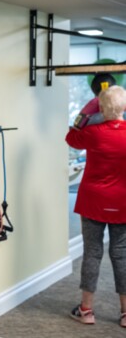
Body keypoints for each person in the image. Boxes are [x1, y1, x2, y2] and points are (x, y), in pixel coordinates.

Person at [65, 85, 126, 328]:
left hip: (93, 201)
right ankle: (125, 314)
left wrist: (84, 113)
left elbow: (71, 137)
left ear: (101, 108)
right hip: (121, 203)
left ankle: (86, 310)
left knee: (92, 252)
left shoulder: (93, 132)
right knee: (121, 255)